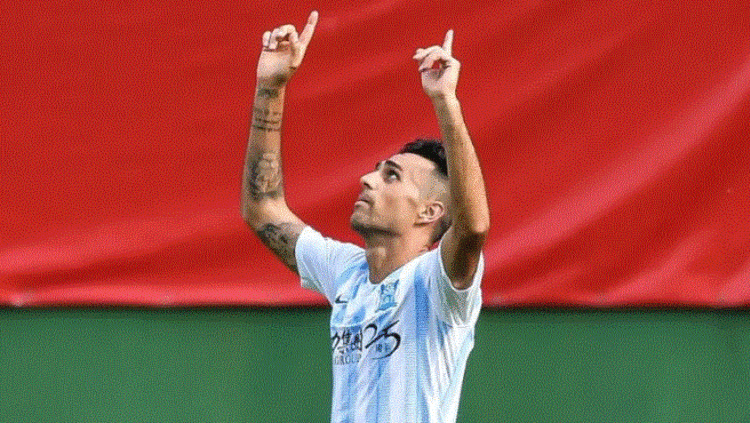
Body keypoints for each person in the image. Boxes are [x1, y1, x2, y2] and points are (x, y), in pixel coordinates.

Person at [241, 10, 490, 423]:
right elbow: (262, 207)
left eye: (391, 176)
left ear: (429, 211)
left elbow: (473, 227)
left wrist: (446, 101)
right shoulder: (347, 273)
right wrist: (271, 86)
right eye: (377, 170)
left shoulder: (439, 284)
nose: (367, 179)